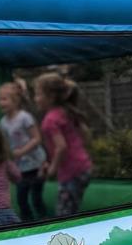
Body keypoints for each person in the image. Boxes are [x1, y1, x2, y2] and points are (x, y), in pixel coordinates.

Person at [34, 72, 93, 217]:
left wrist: (52, 169)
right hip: (82, 167)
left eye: (38, 94)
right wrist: (50, 163)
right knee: (70, 208)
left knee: (64, 214)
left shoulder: (50, 120)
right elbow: (78, 138)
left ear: (51, 97)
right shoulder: (64, 112)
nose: (35, 99)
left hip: (72, 172)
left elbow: (61, 147)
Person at [0, 81, 47, 221]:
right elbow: (6, 143)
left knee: (36, 197)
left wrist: (22, 151)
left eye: (4, 99)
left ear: (15, 100)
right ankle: (27, 223)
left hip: (36, 163)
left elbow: (37, 138)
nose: (0, 103)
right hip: (21, 167)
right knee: (21, 198)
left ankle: (44, 220)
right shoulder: (3, 122)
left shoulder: (25, 117)